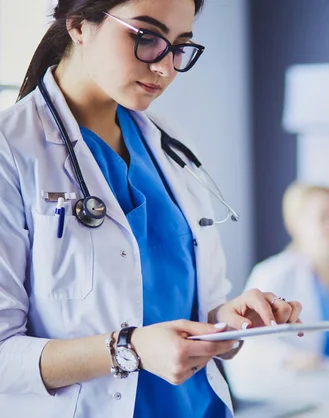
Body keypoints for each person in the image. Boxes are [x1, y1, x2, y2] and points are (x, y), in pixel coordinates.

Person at [0, 1, 303, 417]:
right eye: (146, 38)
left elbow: (193, 307)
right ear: (78, 25)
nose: (166, 68)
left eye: (179, 47)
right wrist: (128, 349)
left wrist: (227, 321)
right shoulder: (11, 151)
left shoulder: (170, 145)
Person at [224, 182, 329, 400]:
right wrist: (290, 358)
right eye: (325, 217)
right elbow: (244, 346)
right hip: (295, 393)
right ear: (295, 225)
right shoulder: (273, 274)